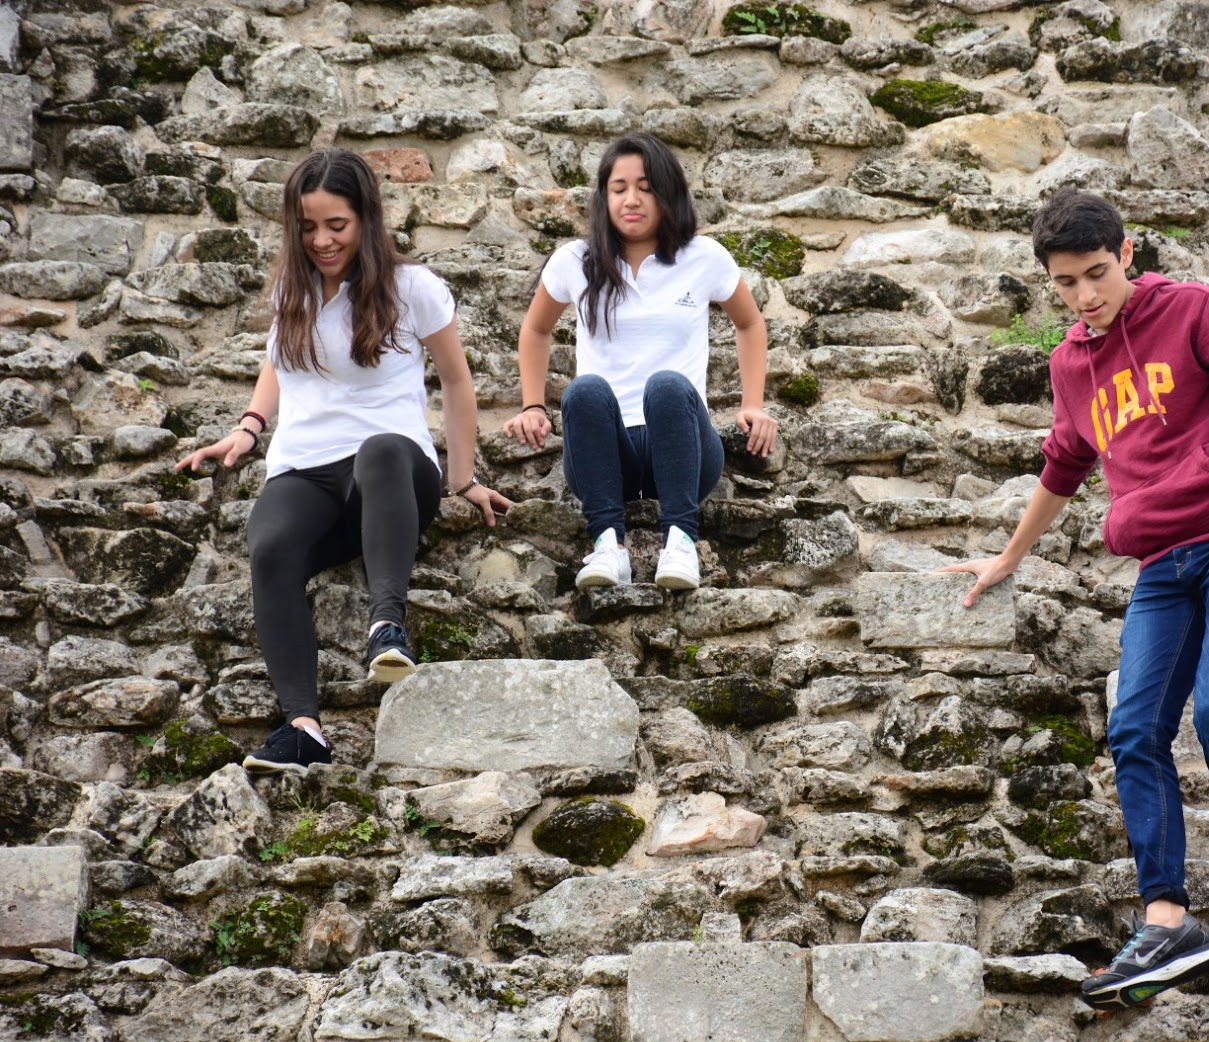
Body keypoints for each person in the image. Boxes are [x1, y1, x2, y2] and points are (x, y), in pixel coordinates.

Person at [943, 189, 1209, 1010]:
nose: (1084, 296)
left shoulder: (1192, 310)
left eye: (1097, 274)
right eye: (1065, 283)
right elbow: (1063, 462)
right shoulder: (1070, 363)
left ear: (1127, 252)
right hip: (1160, 564)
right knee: (1133, 727)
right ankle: (1166, 918)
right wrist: (1009, 556)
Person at [176, 148, 510, 773]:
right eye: (308, 227)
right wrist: (248, 429)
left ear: (366, 219)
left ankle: (387, 625)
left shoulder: (412, 288)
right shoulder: (293, 289)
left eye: (337, 225)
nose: (322, 241)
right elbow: (278, 362)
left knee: (380, 449)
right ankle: (303, 728)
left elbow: (456, 380)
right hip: (305, 465)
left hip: (391, 474)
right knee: (270, 548)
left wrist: (463, 478)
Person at [502, 131, 776, 591]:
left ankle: (681, 544)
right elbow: (535, 329)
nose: (631, 199)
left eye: (646, 188)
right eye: (619, 188)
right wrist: (532, 404)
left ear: (668, 193)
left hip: (685, 448)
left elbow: (750, 324)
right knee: (584, 391)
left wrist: (753, 404)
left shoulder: (703, 257)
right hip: (608, 455)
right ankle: (608, 546)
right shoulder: (575, 260)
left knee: (667, 384)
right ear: (604, 197)